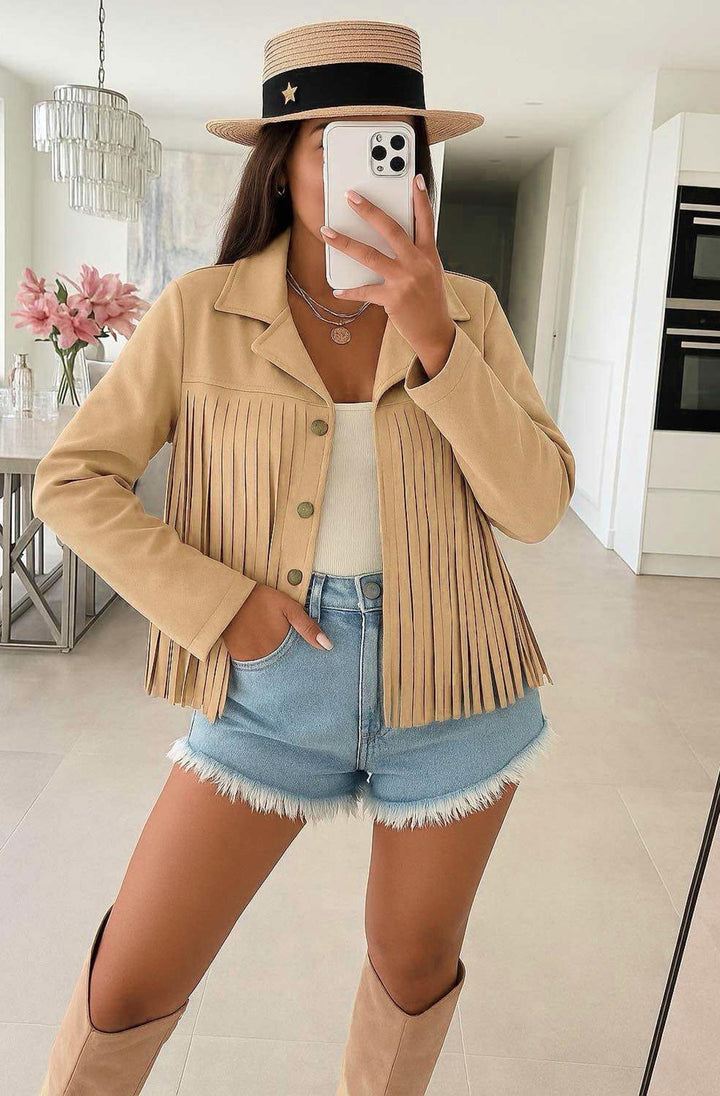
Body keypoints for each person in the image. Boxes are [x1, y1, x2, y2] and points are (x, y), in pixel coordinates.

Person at [33, 19, 575, 1096]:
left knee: (413, 968)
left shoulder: (468, 312)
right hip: (267, 686)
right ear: (281, 163)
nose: (371, 171)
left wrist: (435, 339)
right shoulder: (200, 310)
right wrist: (220, 604)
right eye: (337, 143)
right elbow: (72, 481)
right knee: (131, 977)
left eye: (393, 146)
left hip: (454, 683)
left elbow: (535, 508)